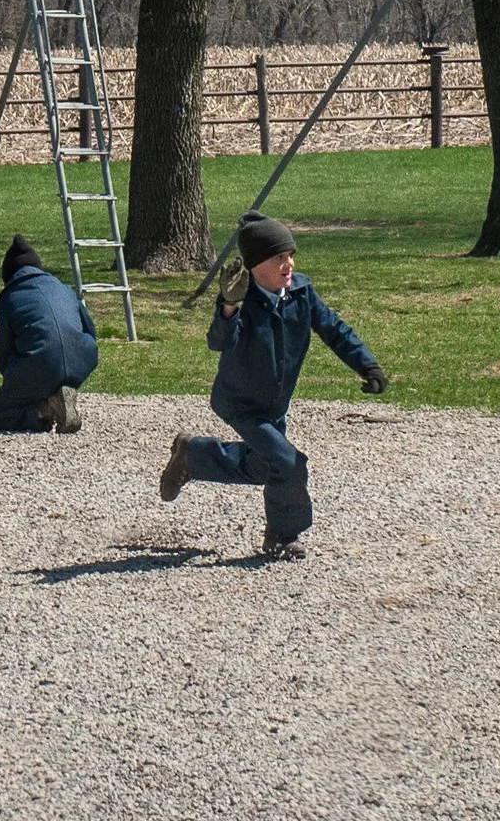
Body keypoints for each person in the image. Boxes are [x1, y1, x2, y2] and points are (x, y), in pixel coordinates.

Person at [160, 211, 387, 560]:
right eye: (279, 257)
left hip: (274, 404)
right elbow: (219, 342)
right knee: (289, 463)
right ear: (255, 266)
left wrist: (366, 364)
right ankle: (282, 535)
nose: (289, 264)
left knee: (264, 467)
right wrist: (230, 307)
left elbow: (335, 330)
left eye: (290, 255)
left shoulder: (300, 293)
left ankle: (193, 455)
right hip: (240, 402)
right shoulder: (242, 300)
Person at [0, 235, 98, 433]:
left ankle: (44, 409)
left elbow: (3, 349)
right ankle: (58, 392)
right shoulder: (63, 288)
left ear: (8, 275)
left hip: (40, 363)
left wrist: (15, 380)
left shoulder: (9, 297)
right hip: (82, 361)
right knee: (44, 371)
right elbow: (90, 330)